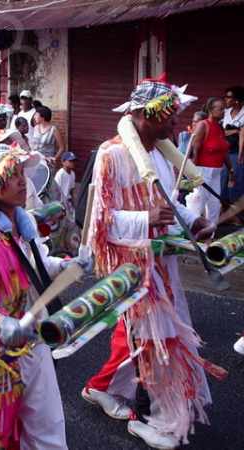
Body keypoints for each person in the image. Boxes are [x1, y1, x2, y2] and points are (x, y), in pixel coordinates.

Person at [82, 77, 225, 449]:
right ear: (147, 115)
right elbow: (100, 222)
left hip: (161, 265)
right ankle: (146, 418)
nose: (175, 126)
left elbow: (168, 202)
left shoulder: (159, 154)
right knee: (150, 342)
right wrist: (146, 218)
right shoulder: (110, 154)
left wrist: (192, 221)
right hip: (131, 269)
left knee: (157, 338)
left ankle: (120, 397)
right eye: (169, 118)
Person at [0, 144, 81, 450]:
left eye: (22, 173)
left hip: (34, 344)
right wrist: (4, 325)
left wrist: (65, 265)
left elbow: (35, 266)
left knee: (48, 427)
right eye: (13, 174)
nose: (23, 181)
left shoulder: (22, 225)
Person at [186, 97, 233, 225]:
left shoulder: (219, 127)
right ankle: (189, 233)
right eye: (221, 109)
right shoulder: (203, 125)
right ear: (211, 110)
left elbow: (224, 152)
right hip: (203, 170)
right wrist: (193, 173)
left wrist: (231, 169)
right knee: (198, 203)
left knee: (214, 205)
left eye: (224, 109)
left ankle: (209, 235)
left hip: (217, 171)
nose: (224, 111)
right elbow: (194, 148)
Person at [222, 86, 244, 201]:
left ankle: (235, 213)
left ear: (237, 99)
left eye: (228, 97)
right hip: (224, 152)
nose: (226, 99)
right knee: (223, 181)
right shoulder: (225, 113)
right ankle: (223, 209)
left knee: (236, 182)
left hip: (237, 154)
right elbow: (220, 132)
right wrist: (236, 130)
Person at [54, 151, 77, 217]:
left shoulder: (72, 174)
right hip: (61, 202)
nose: (73, 163)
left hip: (68, 201)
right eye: (70, 161)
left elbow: (71, 189)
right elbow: (56, 190)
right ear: (63, 162)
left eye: (74, 161)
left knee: (72, 218)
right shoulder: (60, 174)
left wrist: (73, 202)